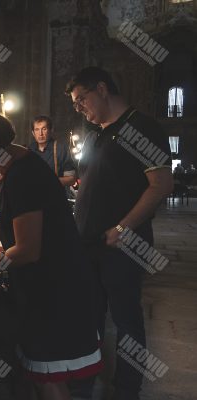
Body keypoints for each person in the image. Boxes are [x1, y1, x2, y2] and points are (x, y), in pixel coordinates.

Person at [0, 107, 102, 400]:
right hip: (48, 287)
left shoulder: (22, 175)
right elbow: (9, 217)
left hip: (54, 290)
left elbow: (27, 251)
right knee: (41, 377)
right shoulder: (12, 164)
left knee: (50, 380)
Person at [66, 67, 173, 400]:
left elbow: (161, 185)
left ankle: (127, 390)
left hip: (123, 245)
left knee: (127, 322)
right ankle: (84, 381)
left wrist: (123, 227)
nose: (79, 107)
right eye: (75, 103)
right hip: (89, 245)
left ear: (101, 89)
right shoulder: (97, 133)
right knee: (88, 317)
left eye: (81, 99)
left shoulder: (142, 127)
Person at [28, 115, 76, 190]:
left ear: (51, 130)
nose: (40, 134)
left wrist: (46, 181)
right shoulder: (29, 150)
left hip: (55, 196)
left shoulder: (60, 149)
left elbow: (71, 179)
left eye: (44, 129)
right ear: (33, 133)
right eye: (37, 129)